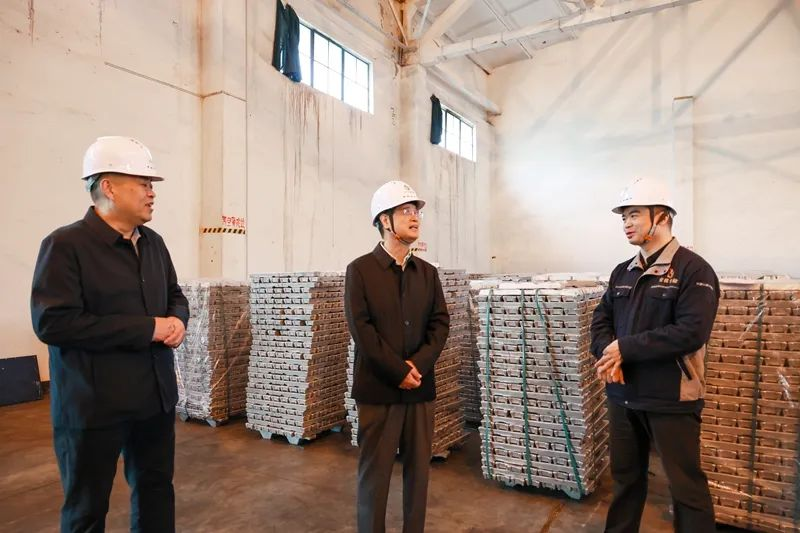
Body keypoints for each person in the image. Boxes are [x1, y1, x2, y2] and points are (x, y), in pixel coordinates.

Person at [30, 136, 189, 533]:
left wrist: (177, 320)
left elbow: (175, 295)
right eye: (143, 184)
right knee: (86, 509)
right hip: (94, 406)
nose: (152, 193)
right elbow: (54, 322)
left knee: (156, 491)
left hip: (154, 399)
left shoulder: (153, 244)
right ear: (109, 187)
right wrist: (149, 328)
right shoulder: (65, 245)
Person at [591, 177, 720, 532]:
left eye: (634, 214)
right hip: (622, 393)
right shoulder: (622, 272)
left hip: (670, 398)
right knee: (625, 481)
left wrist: (626, 348)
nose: (626, 223)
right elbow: (601, 319)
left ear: (661, 217)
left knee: (686, 487)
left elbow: (691, 331)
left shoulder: (694, 270)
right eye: (623, 217)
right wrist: (607, 354)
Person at [344, 180, 450, 533]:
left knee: (419, 476)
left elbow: (440, 323)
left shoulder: (428, 273)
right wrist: (397, 371)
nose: (415, 217)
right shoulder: (360, 271)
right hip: (378, 391)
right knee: (374, 477)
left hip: (420, 389)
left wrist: (417, 366)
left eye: (416, 211)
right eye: (405, 211)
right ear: (384, 220)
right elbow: (362, 330)